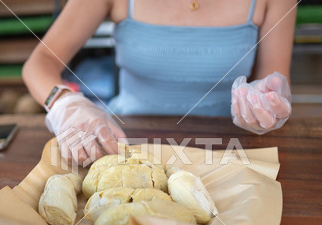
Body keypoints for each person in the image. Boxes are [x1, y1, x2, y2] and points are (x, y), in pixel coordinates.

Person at [23, 0, 297, 165]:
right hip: (125, 143)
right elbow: (41, 62)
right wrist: (64, 103)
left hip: (230, 151)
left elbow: (271, 81)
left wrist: (265, 104)